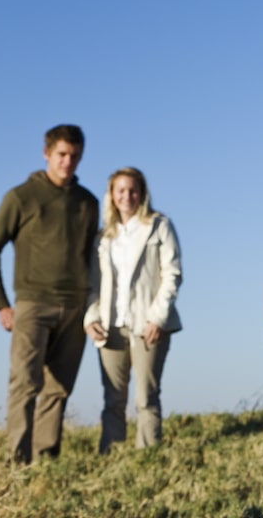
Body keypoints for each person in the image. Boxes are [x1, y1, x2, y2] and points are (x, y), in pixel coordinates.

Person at [0, 124, 99, 464]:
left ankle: (46, 460)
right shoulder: (20, 197)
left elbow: (92, 259)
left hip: (74, 307)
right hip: (32, 304)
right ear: (47, 153)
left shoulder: (88, 202)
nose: (68, 162)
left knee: (58, 388)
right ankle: (16, 461)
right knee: (25, 384)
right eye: (61, 154)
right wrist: (1, 304)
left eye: (75, 156)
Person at [83, 167, 182, 453]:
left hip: (149, 325)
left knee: (146, 397)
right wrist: (90, 318)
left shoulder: (159, 225)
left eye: (132, 190)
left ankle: (148, 456)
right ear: (112, 196)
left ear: (142, 192)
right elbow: (92, 284)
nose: (127, 196)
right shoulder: (103, 237)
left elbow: (172, 274)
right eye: (121, 190)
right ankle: (110, 456)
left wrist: (157, 318)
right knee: (112, 399)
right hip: (110, 326)